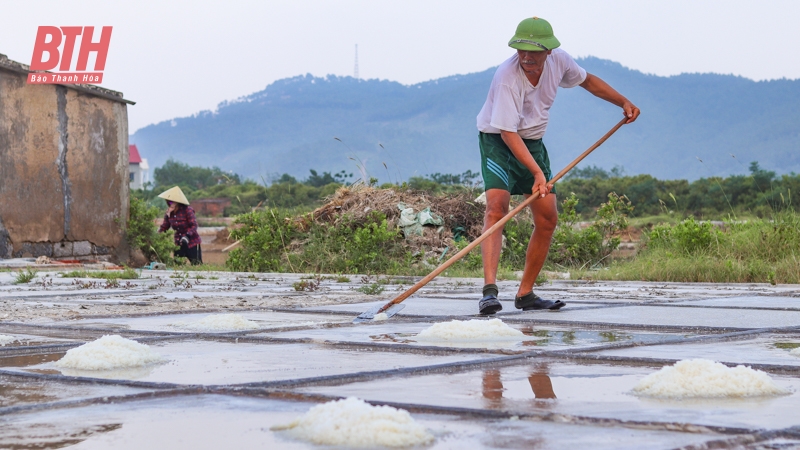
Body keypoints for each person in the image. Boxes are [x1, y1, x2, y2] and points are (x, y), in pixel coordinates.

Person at [476, 17, 640, 315]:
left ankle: (525, 294)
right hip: (499, 141)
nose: (526, 58)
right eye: (521, 50)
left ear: (549, 52)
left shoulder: (560, 61)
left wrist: (622, 102)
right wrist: (537, 173)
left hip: (534, 142)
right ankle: (489, 293)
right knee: (496, 208)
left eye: (534, 52)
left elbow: (587, 81)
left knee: (548, 217)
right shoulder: (506, 77)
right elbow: (508, 133)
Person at [157, 186, 203, 265]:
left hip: (191, 242)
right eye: (168, 202)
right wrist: (157, 235)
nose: (169, 204)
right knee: (178, 265)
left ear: (177, 202)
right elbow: (165, 226)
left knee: (197, 264)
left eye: (171, 202)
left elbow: (194, 225)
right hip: (178, 242)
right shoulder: (169, 213)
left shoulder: (188, 210)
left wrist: (187, 236)